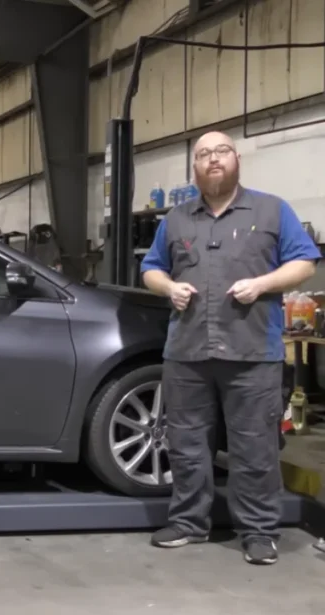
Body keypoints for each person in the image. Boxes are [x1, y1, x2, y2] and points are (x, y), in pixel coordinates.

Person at [139, 130, 320, 565]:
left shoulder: (272, 210)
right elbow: (150, 268)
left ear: (236, 158)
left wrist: (262, 283)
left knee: (254, 446)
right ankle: (188, 522)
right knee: (186, 443)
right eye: (203, 154)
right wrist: (168, 288)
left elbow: (305, 262)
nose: (212, 159)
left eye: (221, 151)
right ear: (195, 167)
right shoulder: (177, 219)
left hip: (253, 352)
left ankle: (258, 531)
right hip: (187, 353)